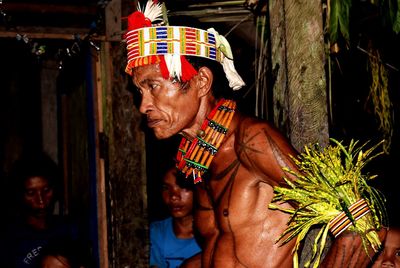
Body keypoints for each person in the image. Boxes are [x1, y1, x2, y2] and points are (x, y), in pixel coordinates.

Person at [124, 1, 386, 267]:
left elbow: (361, 227)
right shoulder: (199, 162)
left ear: (200, 82)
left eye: (153, 87)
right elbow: (228, 248)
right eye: (140, 92)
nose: (144, 105)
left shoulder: (251, 140)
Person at [0, 152, 84, 268]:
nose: (41, 201)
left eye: (46, 190)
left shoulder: (70, 229)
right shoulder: (9, 239)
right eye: (31, 193)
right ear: (19, 194)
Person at [150, 165, 202, 268]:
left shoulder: (214, 234)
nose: (173, 196)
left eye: (183, 187)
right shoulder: (155, 232)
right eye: (166, 188)